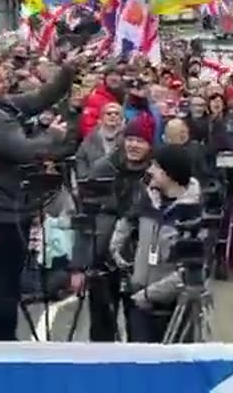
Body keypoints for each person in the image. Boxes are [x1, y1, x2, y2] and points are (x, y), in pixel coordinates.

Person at [0, 53, 76, 341]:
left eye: (6, 78)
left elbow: (39, 98)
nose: (6, 84)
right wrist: (52, 137)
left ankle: (1, 336)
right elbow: (25, 150)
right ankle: (1, 341)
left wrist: (68, 70)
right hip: (1, 211)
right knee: (3, 283)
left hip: (9, 205)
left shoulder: (0, 105)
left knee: (6, 279)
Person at [70, 114, 154, 342]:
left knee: (140, 328)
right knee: (101, 328)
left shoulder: (156, 175)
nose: (134, 145)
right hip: (101, 257)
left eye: (141, 141)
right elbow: (84, 218)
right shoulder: (103, 168)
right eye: (131, 139)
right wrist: (78, 266)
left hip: (139, 262)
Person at [109, 143, 200, 342]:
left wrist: (149, 295)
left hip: (173, 310)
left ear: (170, 174)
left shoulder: (193, 215)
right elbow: (128, 221)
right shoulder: (147, 199)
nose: (150, 170)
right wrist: (117, 249)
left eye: (156, 167)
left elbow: (191, 272)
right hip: (138, 302)